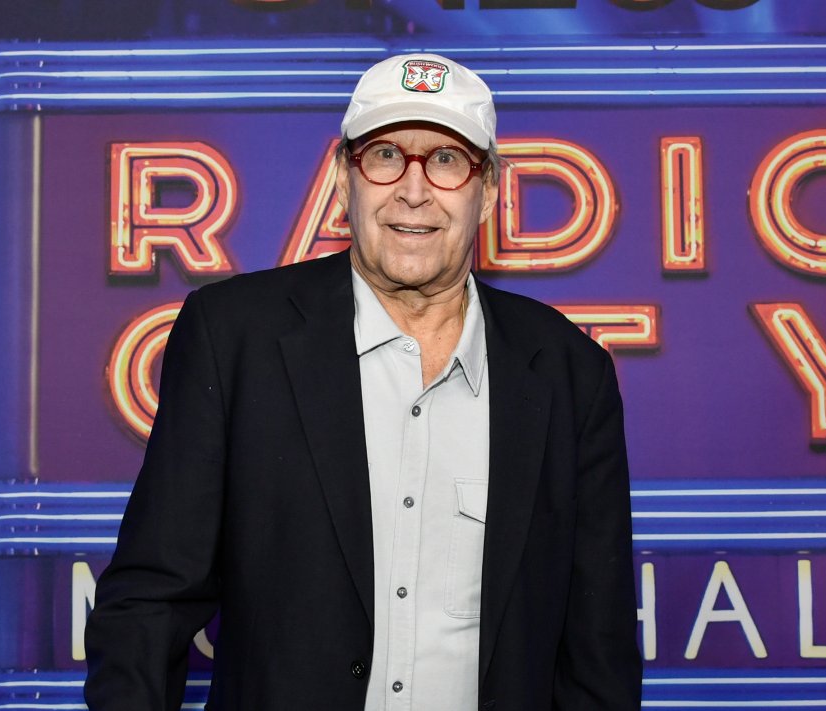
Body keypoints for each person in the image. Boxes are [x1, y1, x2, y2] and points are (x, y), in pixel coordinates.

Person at [84, 53, 640, 711]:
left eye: (446, 160)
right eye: (384, 156)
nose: (413, 190)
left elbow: (597, 650)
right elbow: (149, 601)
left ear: (489, 189)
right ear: (344, 178)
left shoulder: (570, 373)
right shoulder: (234, 337)